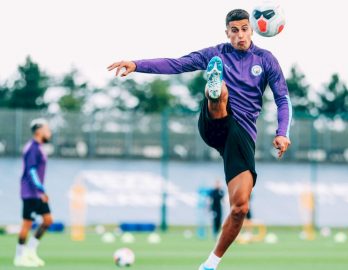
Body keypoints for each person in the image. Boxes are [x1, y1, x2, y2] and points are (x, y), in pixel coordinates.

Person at [107, 8, 292, 270]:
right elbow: (176, 64)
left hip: (241, 137)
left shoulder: (266, 59)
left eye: (244, 29)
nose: (240, 35)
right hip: (214, 122)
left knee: (240, 207)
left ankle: (210, 263)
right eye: (234, 30)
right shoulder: (215, 53)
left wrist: (282, 132)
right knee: (219, 91)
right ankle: (214, 88)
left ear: (253, 30)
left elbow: (283, 98)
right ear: (227, 32)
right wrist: (137, 64)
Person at [14, 119, 53, 267]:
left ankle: (30, 252)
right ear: (38, 130)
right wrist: (41, 190)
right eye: (47, 129)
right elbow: (31, 171)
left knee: (48, 220)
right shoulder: (32, 148)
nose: (49, 132)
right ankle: (19, 257)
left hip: (37, 193)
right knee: (27, 224)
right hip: (30, 193)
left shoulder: (40, 147)